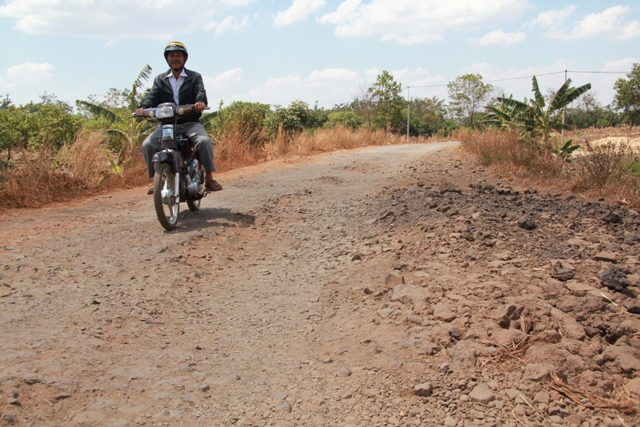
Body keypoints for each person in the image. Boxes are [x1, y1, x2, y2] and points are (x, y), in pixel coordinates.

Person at [136, 41, 222, 194]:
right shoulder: (160, 79)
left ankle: (209, 178)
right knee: (147, 145)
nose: (175, 59)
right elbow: (152, 97)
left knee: (204, 142)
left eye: (178, 56)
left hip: (190, 123)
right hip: (167, 125)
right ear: (167, 59)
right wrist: (143, 108)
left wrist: (200, 102)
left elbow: (200, 92)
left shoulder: (194, 77)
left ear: (184, 58)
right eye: (171, 56)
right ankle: (157, 180)